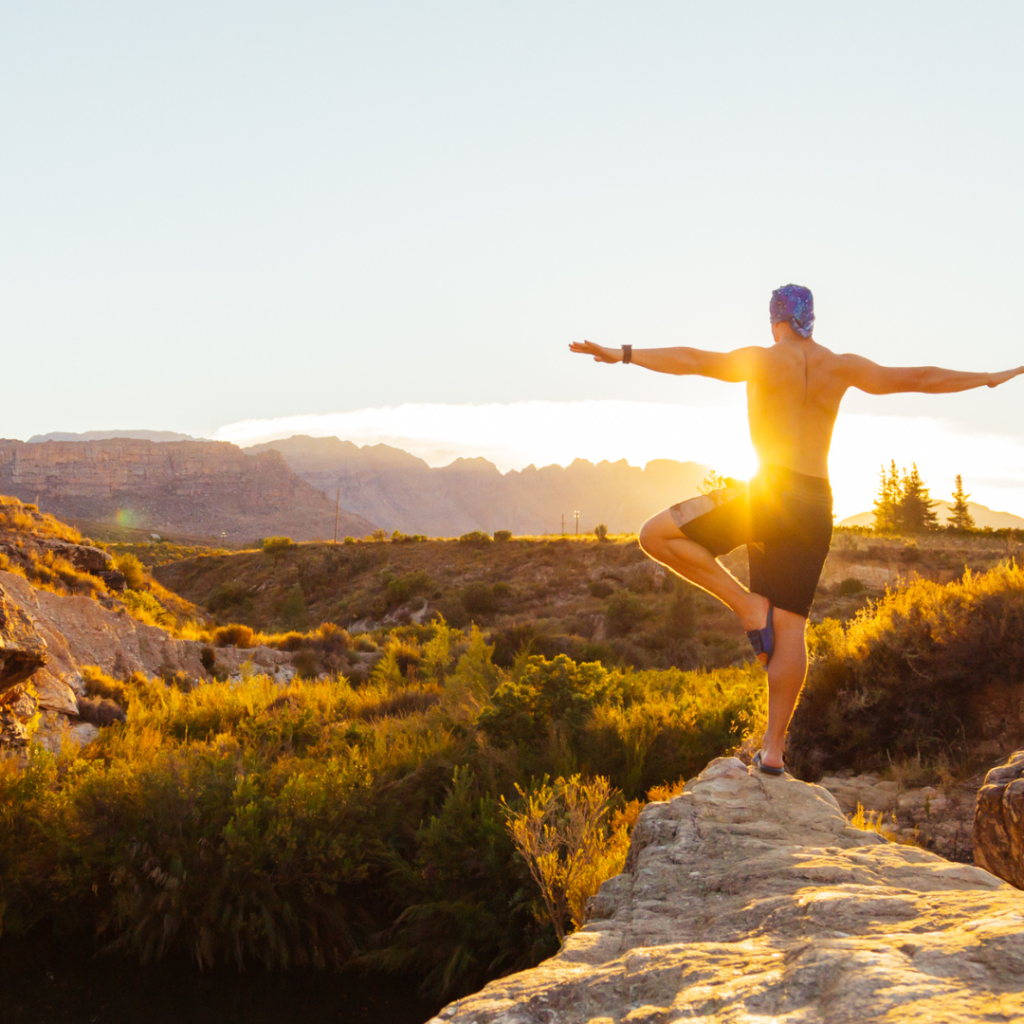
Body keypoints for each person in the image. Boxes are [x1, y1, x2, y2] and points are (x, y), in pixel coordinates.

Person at [570, 284, 1023, 775]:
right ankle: (774, 750)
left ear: (775, 321)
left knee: (655, 534)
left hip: (766, 495)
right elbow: (917, 377)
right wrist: (986, 379)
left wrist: (624, 354)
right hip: (815, 505)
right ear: (812, 321)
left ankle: (744, 603)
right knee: (790, 630)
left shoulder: (762, 360)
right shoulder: (842, 366)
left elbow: (693, 359)